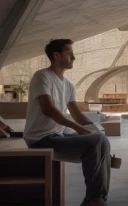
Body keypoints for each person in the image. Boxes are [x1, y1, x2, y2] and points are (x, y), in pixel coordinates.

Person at [24, 39, 110, 206]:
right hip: (40, 139)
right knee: (97, 142)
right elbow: (49, 110)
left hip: (59, 134)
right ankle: (94, 199)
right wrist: (81, 130)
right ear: (57, 55)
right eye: (70, 53)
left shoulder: (68, 83)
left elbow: (77, 115)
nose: (74, 57)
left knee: (100, 138)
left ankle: (96, 198)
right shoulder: (42, 77)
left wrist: (94, 128)